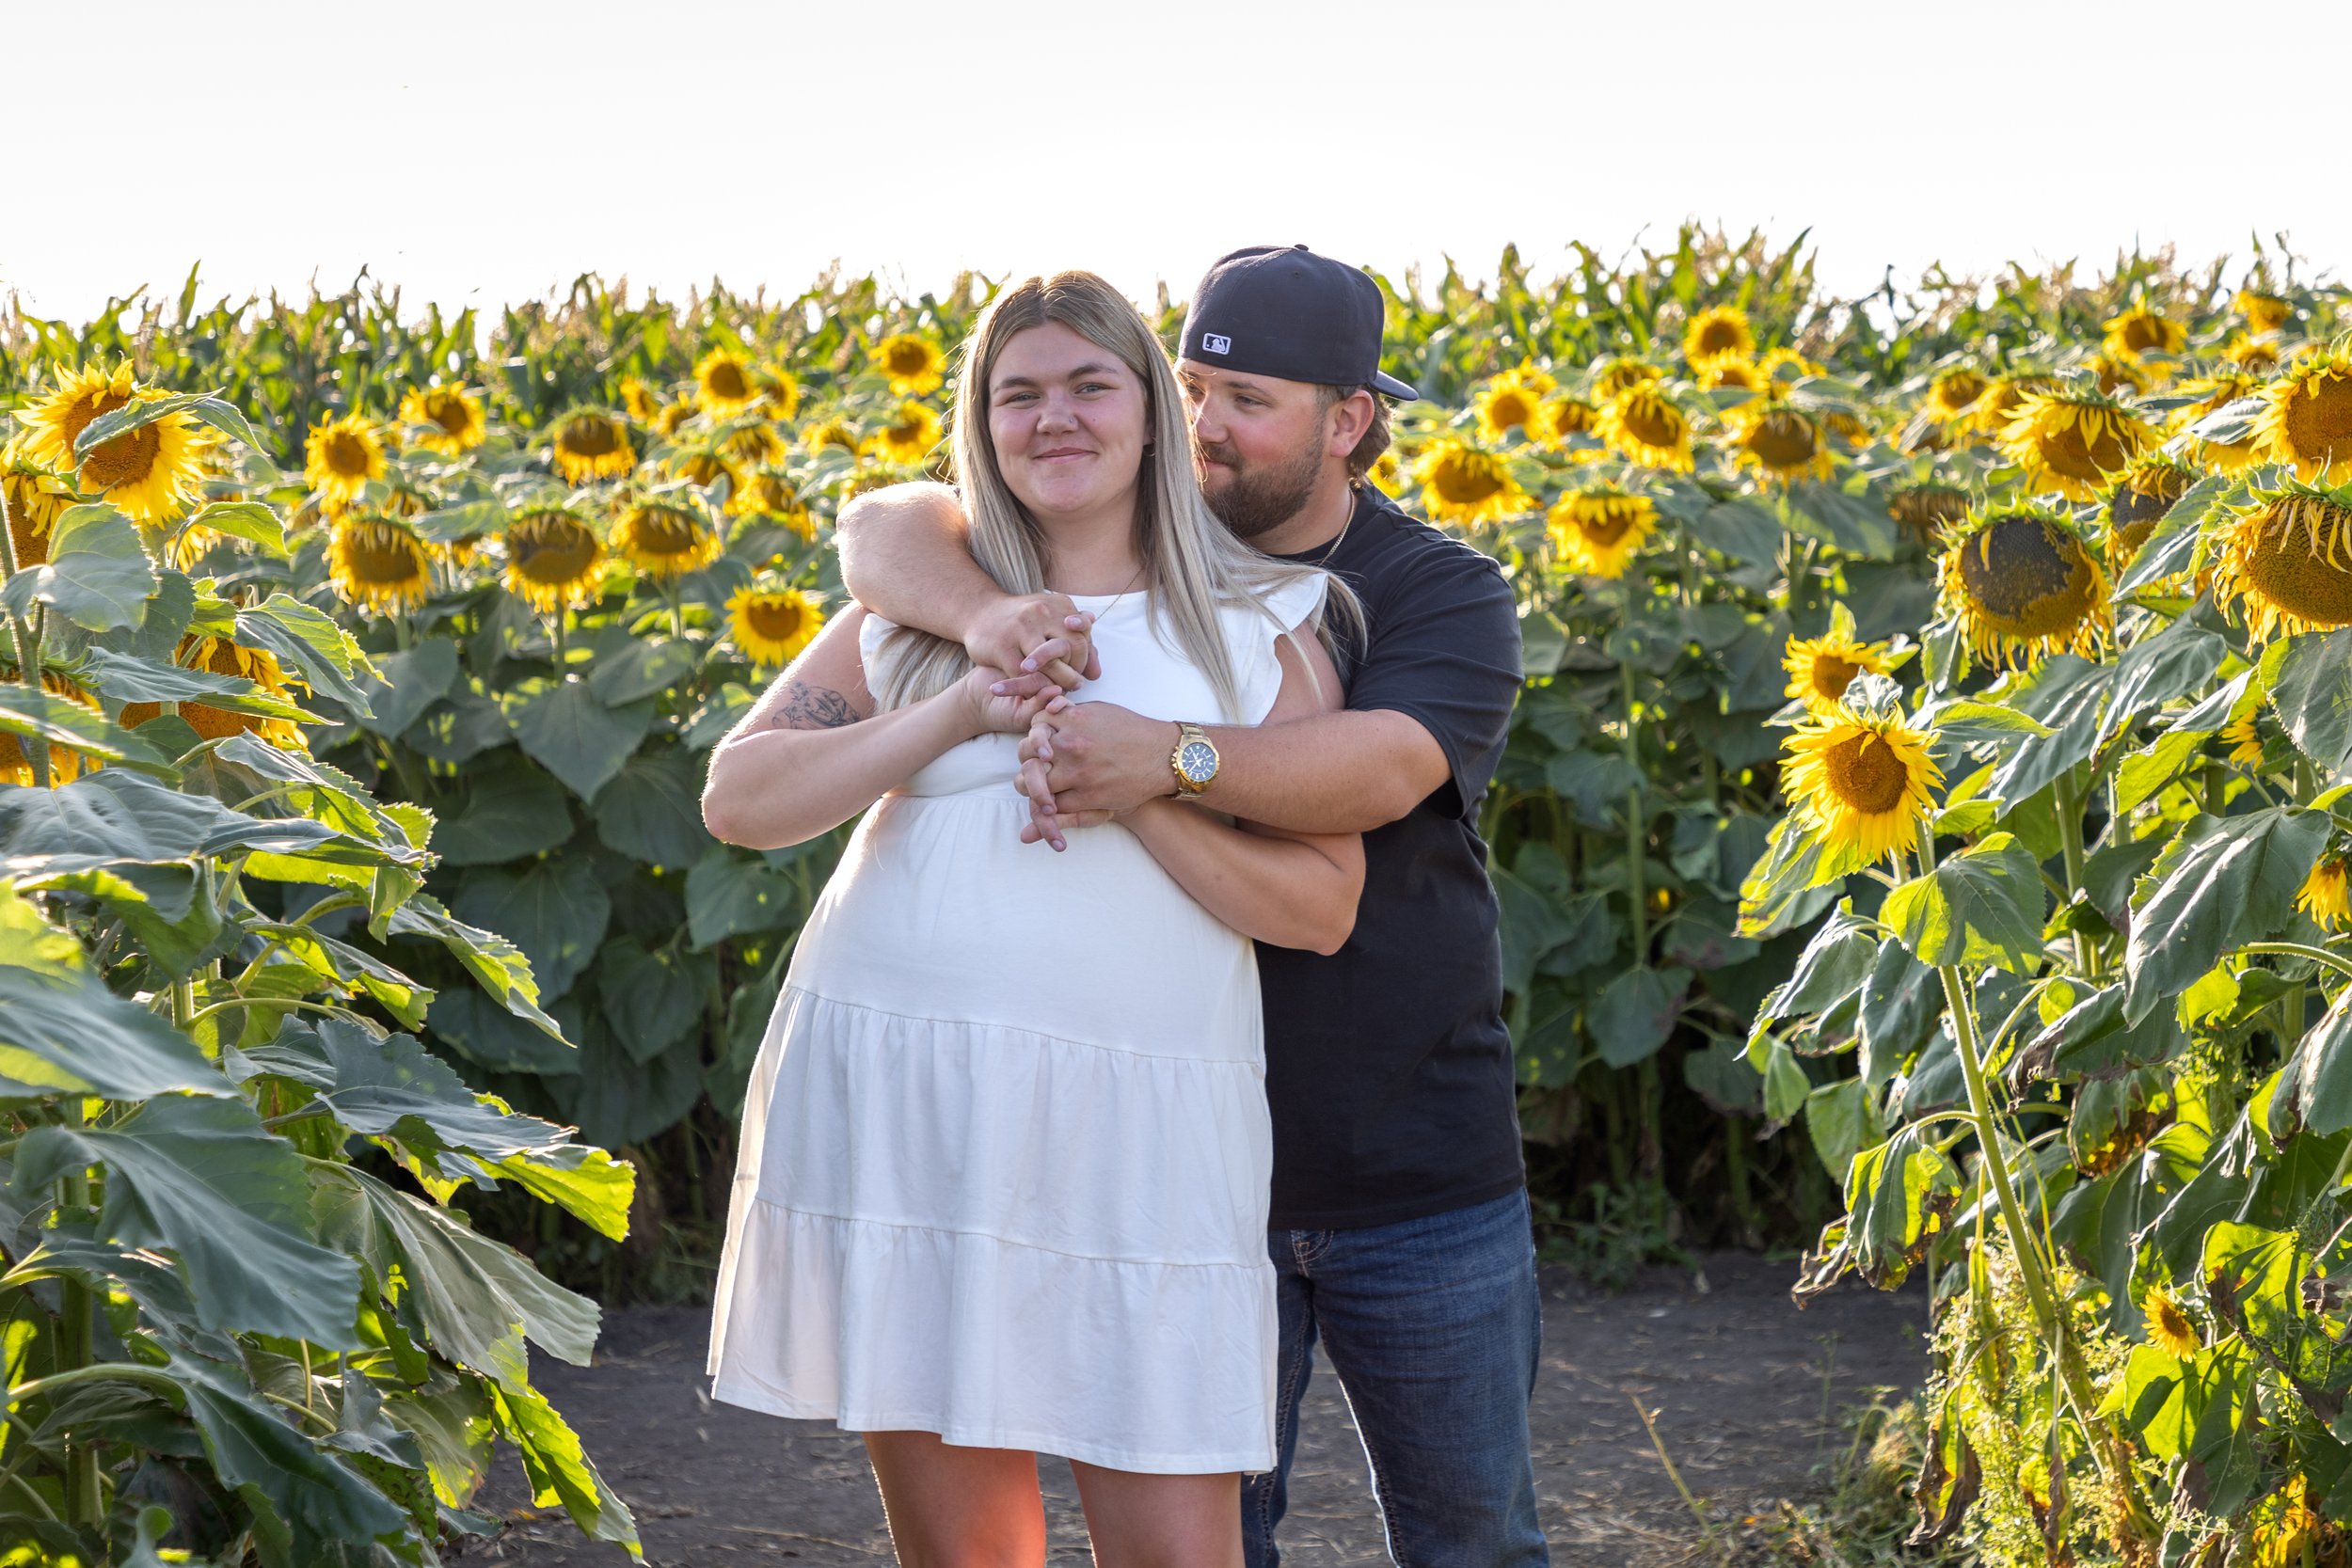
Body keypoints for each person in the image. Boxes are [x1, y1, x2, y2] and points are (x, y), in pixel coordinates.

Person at [838, 245, 1546, 1567]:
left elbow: (1388, 767)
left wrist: (1164, 758)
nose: (1211, 427)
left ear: (1348, 421)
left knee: (1474, 1540)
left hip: (1409, 1153)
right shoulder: (1118, 542)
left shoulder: (1431, 587)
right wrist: (993, 622)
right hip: (1173, 1163)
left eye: (1252, 400)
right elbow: (884, 526)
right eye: (1196, 387)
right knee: (1231, 1540)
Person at [701, 268, 1363, 1568]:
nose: (1053, 418)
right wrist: (961, 711)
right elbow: (741, 797)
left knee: (1178, 1551)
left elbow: (1324, 906)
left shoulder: (1258, 628)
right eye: (1019, 395)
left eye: (1088, 385)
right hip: (916, 1104)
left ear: (1152, 414)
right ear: (982, 427)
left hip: (1140, 1130)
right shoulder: (914, 618)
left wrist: (1136, 789)